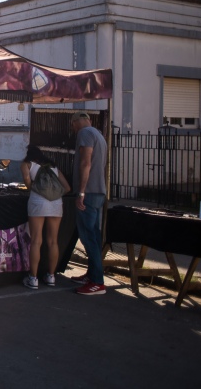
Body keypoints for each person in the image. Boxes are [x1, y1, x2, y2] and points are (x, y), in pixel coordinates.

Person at [20, 145, 71, 289]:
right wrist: (54, 195)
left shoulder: (26, 164)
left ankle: (33, 278)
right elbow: (67, 188)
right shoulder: (53, 167)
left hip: (38, 202)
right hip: (56, 203)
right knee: (53, 241)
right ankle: (51, 276)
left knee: (36, 240)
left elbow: (28, 184)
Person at [70, 111, 108, 296]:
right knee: (93, 235)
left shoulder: (84, 134)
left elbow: (86, 163)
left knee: (89, 237)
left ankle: (97, 281)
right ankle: (92, 275)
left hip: (89, 193)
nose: (73, 128)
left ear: (77, 123)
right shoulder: (98, 134)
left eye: (73, 124)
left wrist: (82, 192)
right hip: (98, 191)